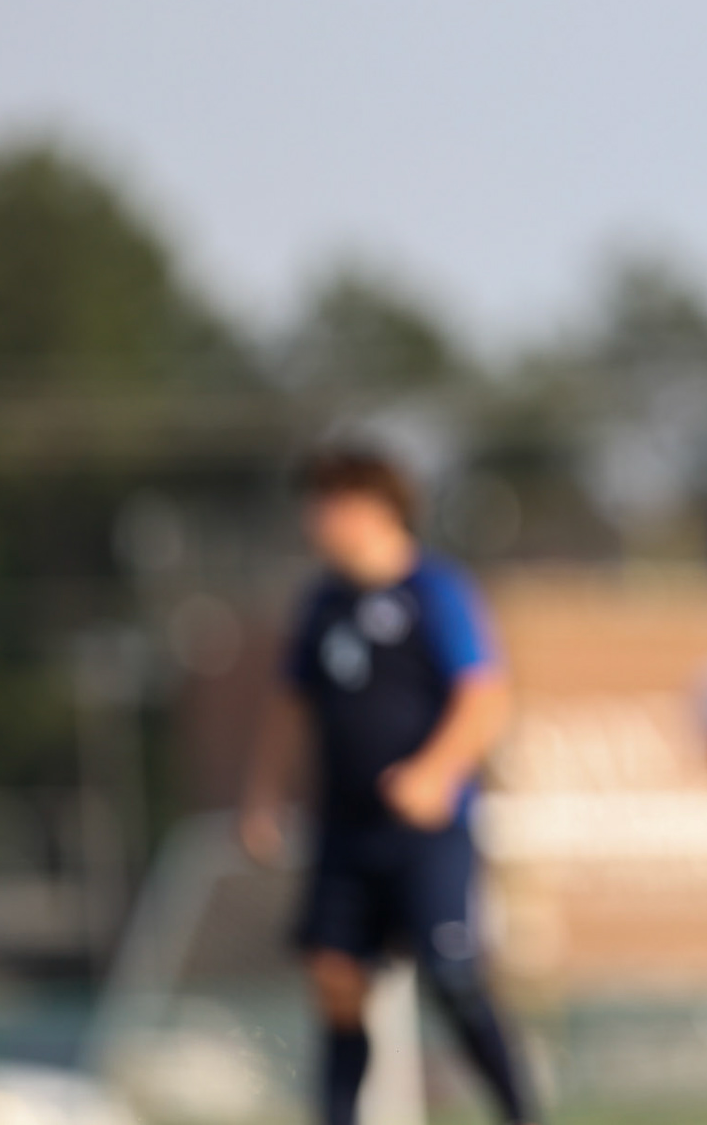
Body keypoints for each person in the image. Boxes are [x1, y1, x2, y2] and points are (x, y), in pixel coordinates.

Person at [240, 447, 537, 1125]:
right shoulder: (321, 602)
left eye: (330, 503)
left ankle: (523, 1114)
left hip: (429, 831)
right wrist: (262, 796)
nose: (315, 519)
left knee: (452, 976)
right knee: (335, 978)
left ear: (375, 509)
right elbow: (289, 705)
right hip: (344, 829)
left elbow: (485, 696)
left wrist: (435, 771)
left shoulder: (434, 590)